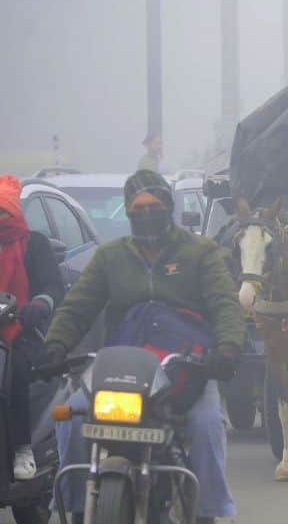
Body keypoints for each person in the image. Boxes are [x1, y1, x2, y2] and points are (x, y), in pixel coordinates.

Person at [44, 170, 244, 523]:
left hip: (186, 369)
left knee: (207, 423)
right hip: (121, 366)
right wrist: (56, 343)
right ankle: (76, 507)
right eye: (138, 207)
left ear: (168, 206)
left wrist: (227, 348)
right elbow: (78, 306)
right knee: (70, 417)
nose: (147, 212)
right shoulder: (109, 256)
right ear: (128, 212)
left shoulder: (201, 252)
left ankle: (208, 511)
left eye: (154, 205)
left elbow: (225, 304)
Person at [0, 174, 64, 481]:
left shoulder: (34, 244)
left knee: (13, 374)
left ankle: (22, 448)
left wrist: (36, 307)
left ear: (14, 213)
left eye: (2, 212)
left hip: (21, 332)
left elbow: (52, 286)